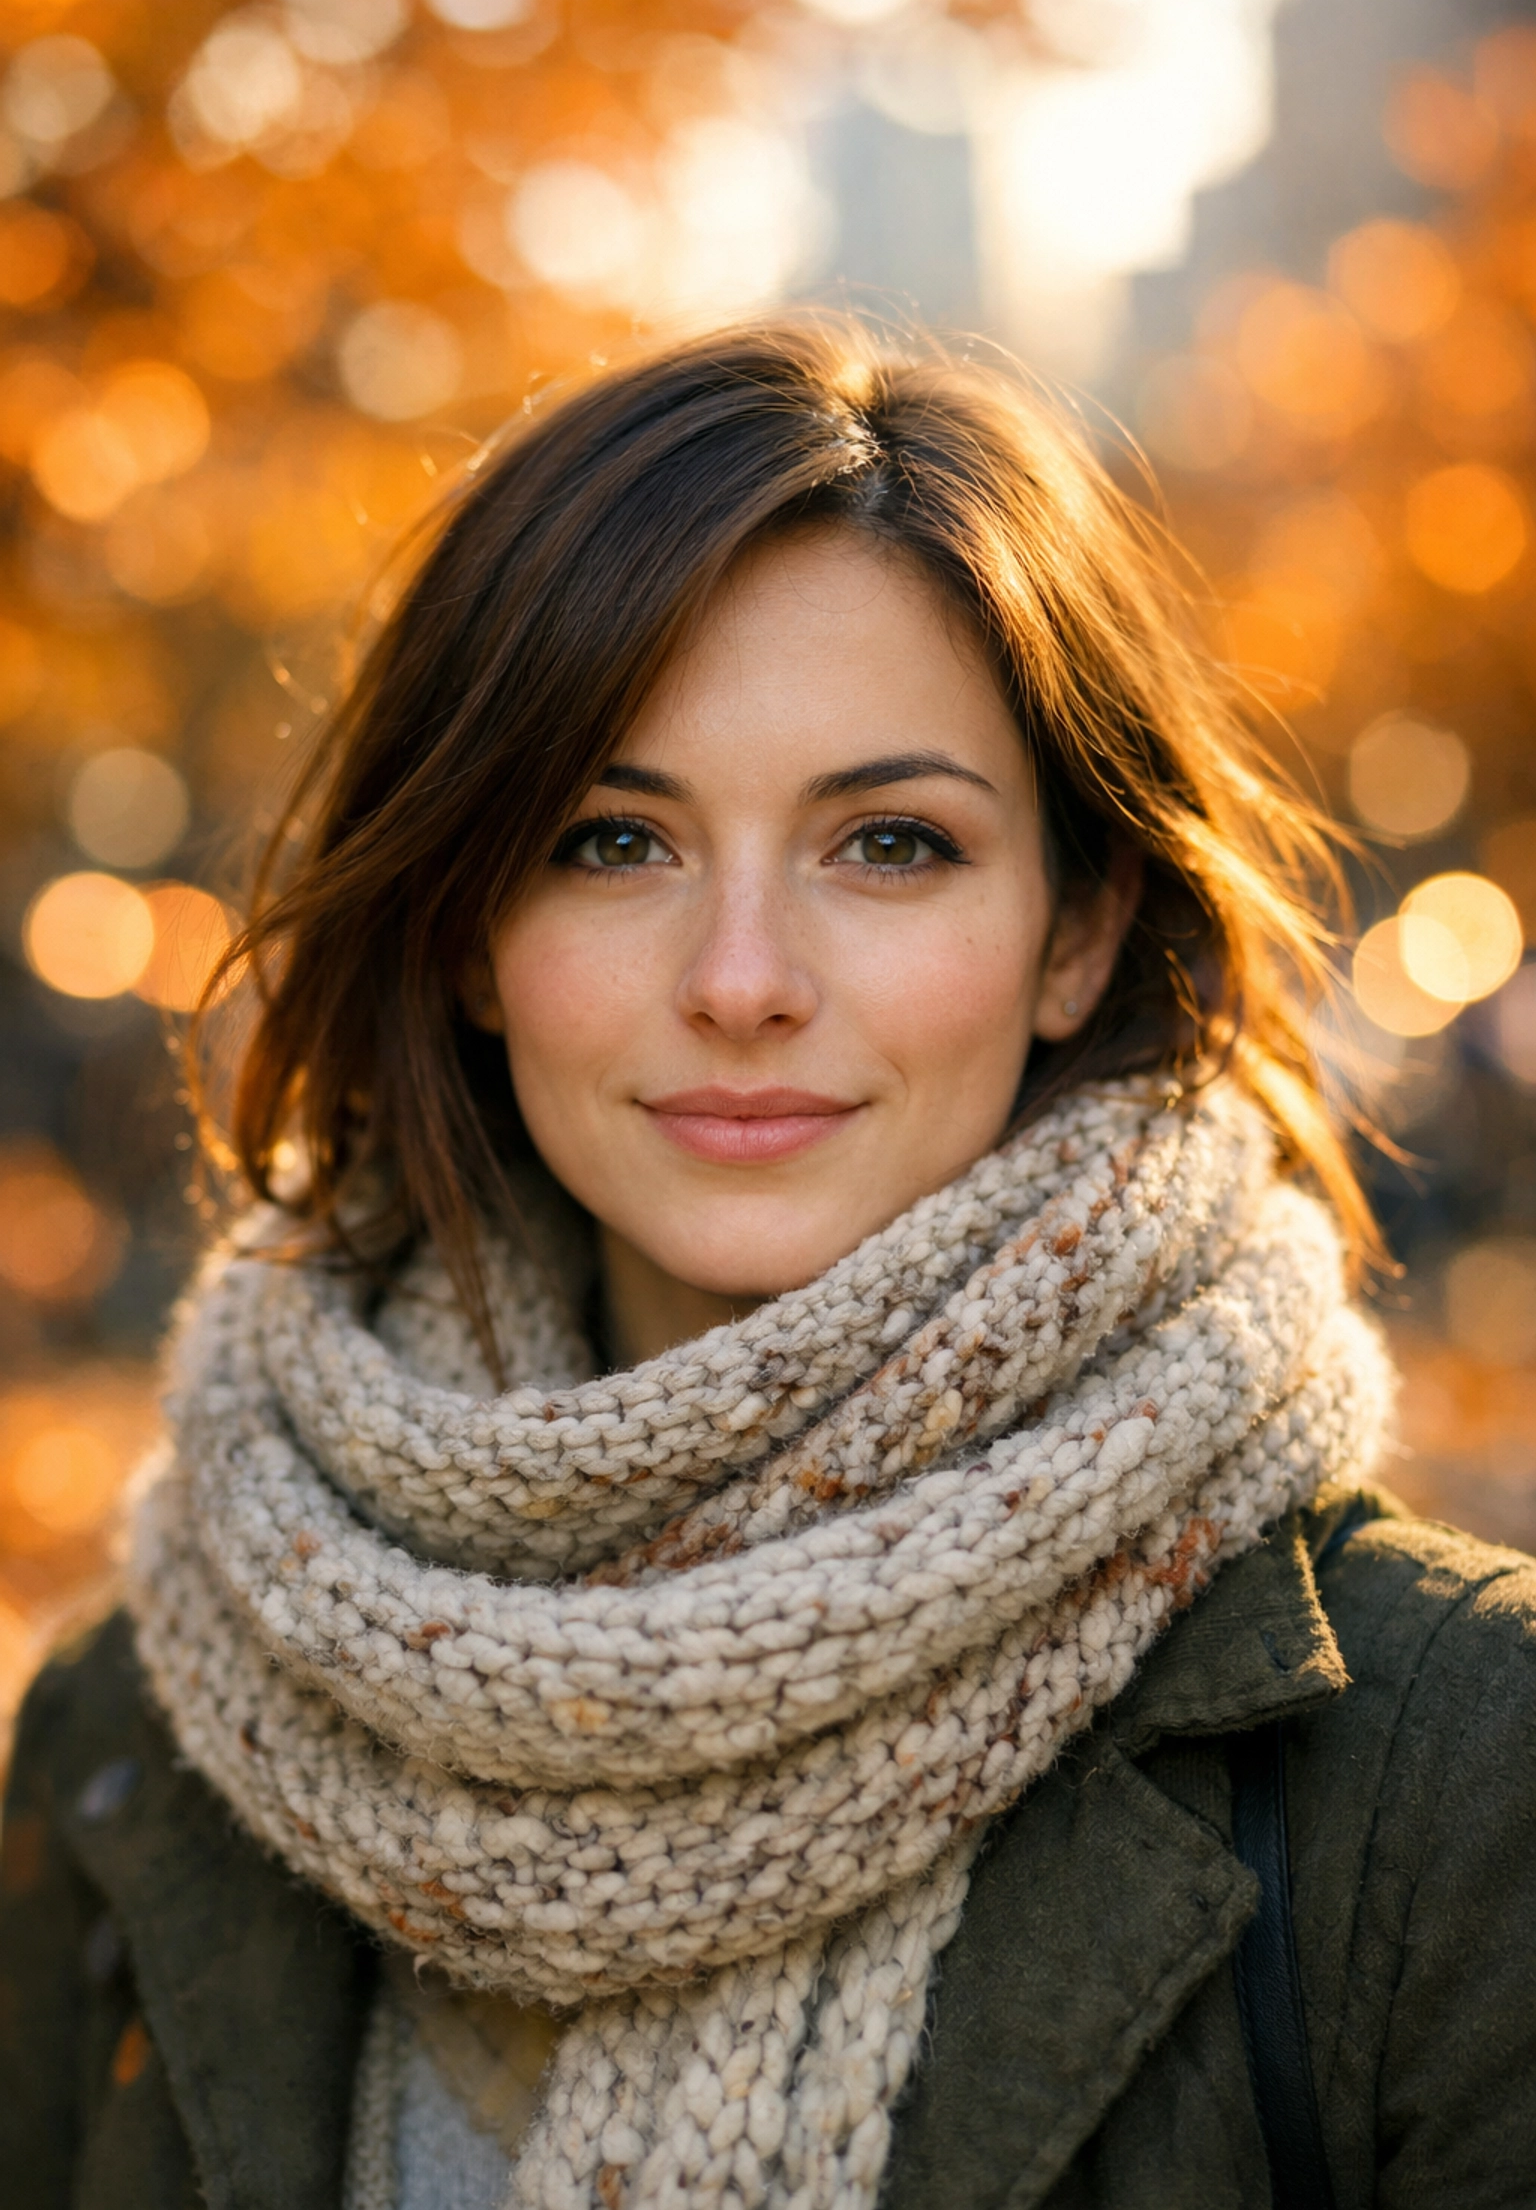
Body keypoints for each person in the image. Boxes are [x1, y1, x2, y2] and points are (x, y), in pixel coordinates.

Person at [3, 320, 1534, 2210]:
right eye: (612, 840)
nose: (742, 980)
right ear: (472, 935)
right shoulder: (124, 1742)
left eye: (890, 844)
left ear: (1076, 930)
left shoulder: (1454, 1767)